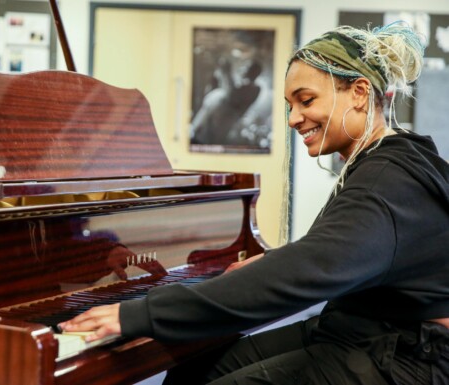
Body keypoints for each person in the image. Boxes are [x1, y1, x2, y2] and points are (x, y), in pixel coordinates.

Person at [59, 21, 449, 384]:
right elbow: (338, 253)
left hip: (406, 352)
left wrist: (140, 314)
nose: (294, 118)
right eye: (289, 105)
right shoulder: (383, 163)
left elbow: (306, 272)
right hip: (360, 325)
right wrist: (282, 258)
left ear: (360, 93)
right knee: (190, 372)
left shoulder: (387, 180)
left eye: (306, 100)